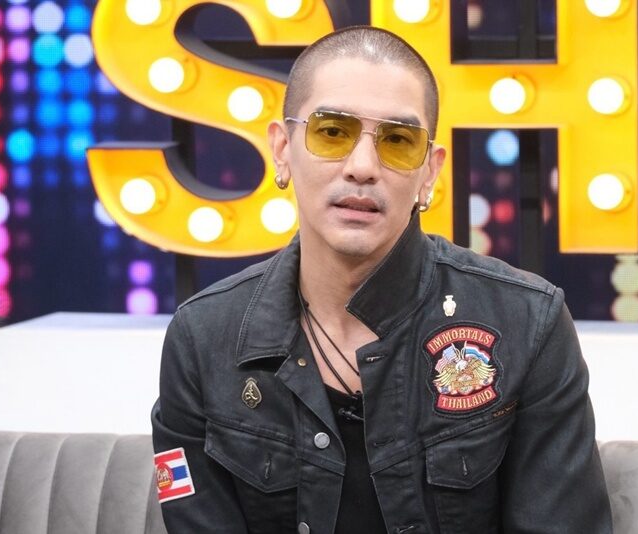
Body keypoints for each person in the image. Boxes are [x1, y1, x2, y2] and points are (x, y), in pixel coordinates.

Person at [152, 25, 613, 534]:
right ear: (282, 149)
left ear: (429, 172)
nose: (362, 167)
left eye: (397, 141)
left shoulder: (527, 324)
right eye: (332, 132)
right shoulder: (202, 340)